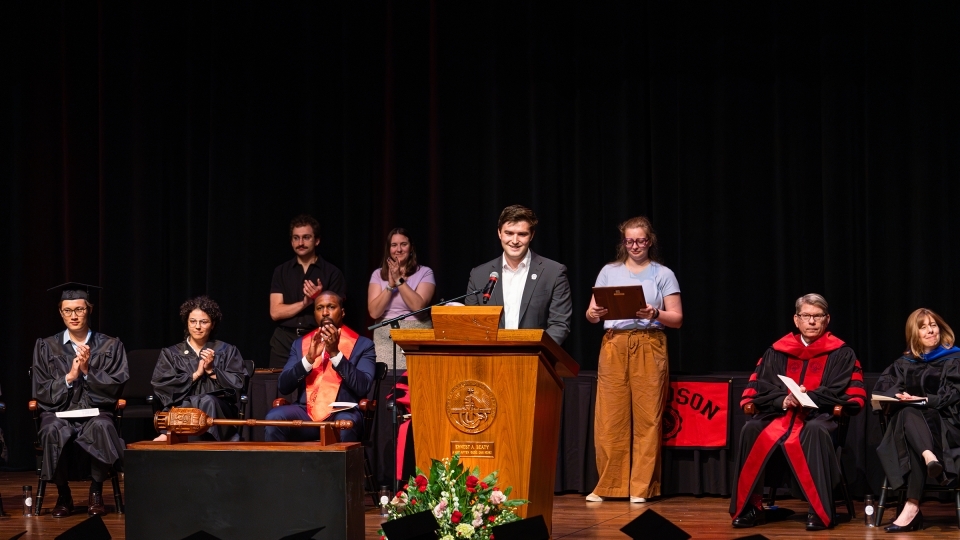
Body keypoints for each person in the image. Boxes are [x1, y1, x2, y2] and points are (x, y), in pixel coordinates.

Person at [730, 294, 866, 531]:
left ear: (827, 319)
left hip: (819, 416)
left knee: (814, 430)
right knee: (751, 427)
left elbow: (840, 390)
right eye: (806, 316)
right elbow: (762, 386)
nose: (812, 321)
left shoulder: (841, 353)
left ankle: (818, 509)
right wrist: (784, 400)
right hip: (779, 414)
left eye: (817, 316)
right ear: (796, 319)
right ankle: (752, 507)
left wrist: (808, 398)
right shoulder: (777, 351)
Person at [584, 216, 682, 504]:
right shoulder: (609, 271)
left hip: (649, 342)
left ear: (649, 241)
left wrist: (655, 314)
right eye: (629, 241)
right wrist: (594, 314)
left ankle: (642, 487)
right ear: (623, 242)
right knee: (609, 418)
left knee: (647, 418)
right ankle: (609, 486)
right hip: (615, 343)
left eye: (640, 240)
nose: (635, 245)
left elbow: (676, 319)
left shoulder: (662, 273)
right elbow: (591, 314)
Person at [32, 283, 129, 518]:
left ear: (90, 310)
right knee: (51, 430)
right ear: (60, 312)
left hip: (96, 412)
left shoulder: (110, 345)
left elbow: (116, 385)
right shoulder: (46, 346)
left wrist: (87, 371)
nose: (73, 316)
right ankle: (63, 494)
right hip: (59, 413)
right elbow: (40, 388)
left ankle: (96, 491)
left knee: (104, 427)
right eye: (68, 310)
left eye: (79, 309)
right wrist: (70, 377)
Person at [873, 308, 960, 532]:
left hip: (947, 426)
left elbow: (955, 393)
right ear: (914, 334)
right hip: (916, 429)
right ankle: (928, 457)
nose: (931, 330)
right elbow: (882, 389)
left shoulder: (955, 359)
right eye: (923, 327)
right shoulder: (904, 363)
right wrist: (900, 396)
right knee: (906, 413)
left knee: (908, 421)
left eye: (934, 325)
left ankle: (912, 508)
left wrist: (925, 399)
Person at [266, 291, 376, 443]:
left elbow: (363, 386)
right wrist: (309, 359)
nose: (325, 312)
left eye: (331, 307)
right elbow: (284, 386)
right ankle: (279, 467)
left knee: (344, 424)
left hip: (341, 412)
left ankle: (338, 467)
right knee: (274, 418)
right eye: (319, 308)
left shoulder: (363, 345)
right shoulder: (300, 344)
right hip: (305, 412)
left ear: (342, 312)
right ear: (314, 313)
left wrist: (335, 354)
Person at [464, 204, 572, 345]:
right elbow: (472, 324)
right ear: (499, 233)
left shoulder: (553, 272)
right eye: (509, 233)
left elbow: (560, 325)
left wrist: (536, 352)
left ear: (531, 235)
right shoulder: (479, 275)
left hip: (535, 358)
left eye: (522, 234)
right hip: (491, 359)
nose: (514, 241)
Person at [151, 296, 247, 442]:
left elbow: (239, 384)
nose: (197, 327)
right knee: (196, 402)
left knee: (207, 401)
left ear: (213, 324)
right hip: (181, 408)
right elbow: (161, 385)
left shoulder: (227, 351)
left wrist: (211, 371)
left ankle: (175, 436)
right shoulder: (171, 353)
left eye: (204, 322)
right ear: (187, 323)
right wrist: (195, 375)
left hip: (219, 410)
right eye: (193, 321)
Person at [269, 214, 348, 368]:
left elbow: (337, 314)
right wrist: (307, 302)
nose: (301, 243)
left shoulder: (332, 273)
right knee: (278, 386)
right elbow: (275, 312)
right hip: (283, 340)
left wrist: (320, 298)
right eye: (296, 238)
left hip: (318, 336)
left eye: (306, 237)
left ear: (316, 240)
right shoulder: (281, 271)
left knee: (315, 387)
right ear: (291, 242)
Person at [367, 228, 436, 369]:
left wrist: (399, 280)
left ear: (411, 248)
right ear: (389, 249)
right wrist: (390, 287)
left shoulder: (425, 272)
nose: (398, 249)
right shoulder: (378, 274)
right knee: (387, 385)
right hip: (385, 338)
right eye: (394, 245)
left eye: (403, 244)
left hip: (417, 335)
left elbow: (418, 307)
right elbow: (374, 312)